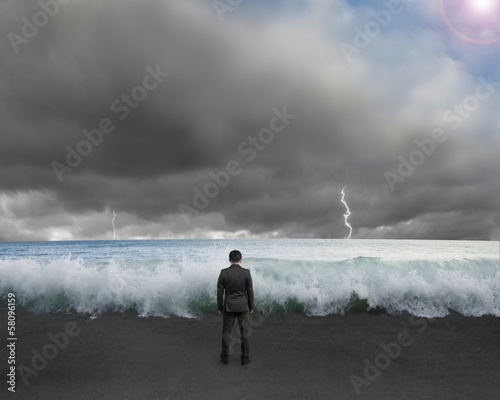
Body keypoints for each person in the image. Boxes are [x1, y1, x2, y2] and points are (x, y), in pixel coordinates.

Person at [217, 250, 254, 365]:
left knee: (227, 332)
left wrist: (220, 307)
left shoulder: (223, 273)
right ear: (241, 259)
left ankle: (225, 358)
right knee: (244, 333)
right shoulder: (246, 273)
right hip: (243, 306)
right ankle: (245, 358)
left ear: (229, 260)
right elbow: (250, 291)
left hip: (228, 307)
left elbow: (219, 293)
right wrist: (251, 306)